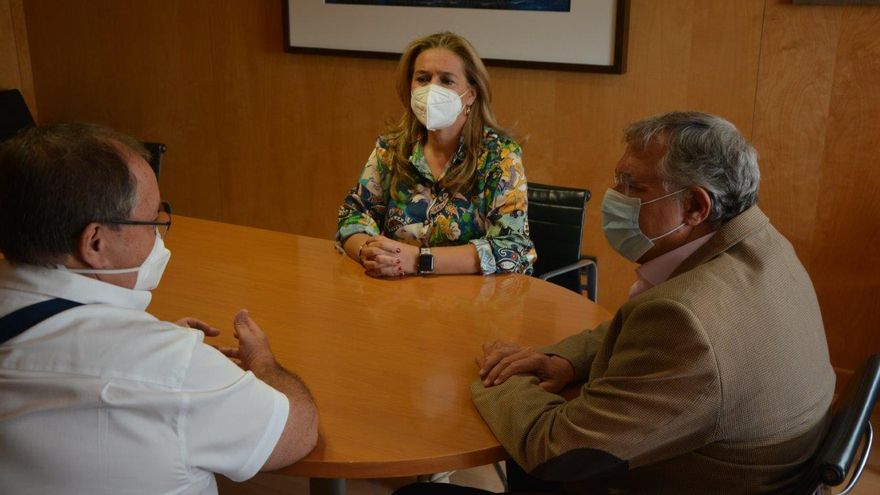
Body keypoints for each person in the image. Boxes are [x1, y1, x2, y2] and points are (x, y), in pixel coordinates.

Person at [396, 111, 836, 494]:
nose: (615, 196)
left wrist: (495, 376)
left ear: (695, 206)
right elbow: (642, 328)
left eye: (633, 186)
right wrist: (562, 360)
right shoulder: (760, 244)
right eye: (617, 179)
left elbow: (556, 450)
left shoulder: (687, 320)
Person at [0, 123, 318, 494]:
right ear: (96, 243)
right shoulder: (172, 368)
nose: (158, 235)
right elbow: (297, 431)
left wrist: (150, 344)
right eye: (151, 221)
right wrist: (262, 360)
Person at [336, 32, 535, 277]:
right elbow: (353, 215)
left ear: (471, 94)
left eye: (446, 80)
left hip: (474, 303)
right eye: (423, 78)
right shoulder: (392, 148)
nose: (432, 89)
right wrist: (369, 251)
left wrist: (421, 260)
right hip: (396, 295)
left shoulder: (500, 156)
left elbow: (514, 249)